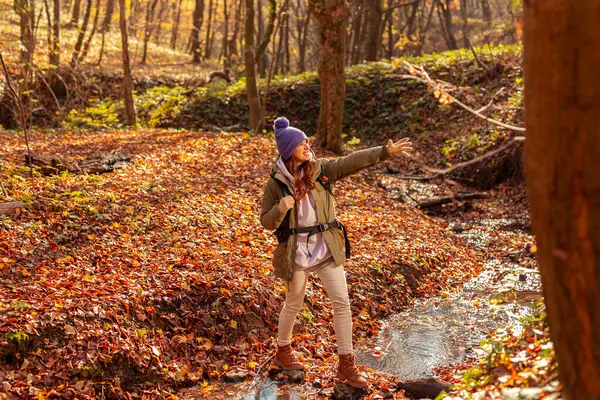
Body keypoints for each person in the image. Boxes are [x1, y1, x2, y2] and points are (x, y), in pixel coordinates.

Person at [260, 117, 412, 389]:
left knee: (341, 302)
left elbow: (352, 161)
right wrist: (281, 208)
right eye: (301, 142)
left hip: (326, 246)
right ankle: (283, 351)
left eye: (307, 140)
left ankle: (346, 363)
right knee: (294, 302)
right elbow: (266, 221)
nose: (307, 145)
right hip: (296, 249)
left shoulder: (321, 170)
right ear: (288, 148)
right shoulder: (276, 183)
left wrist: (384, 152)